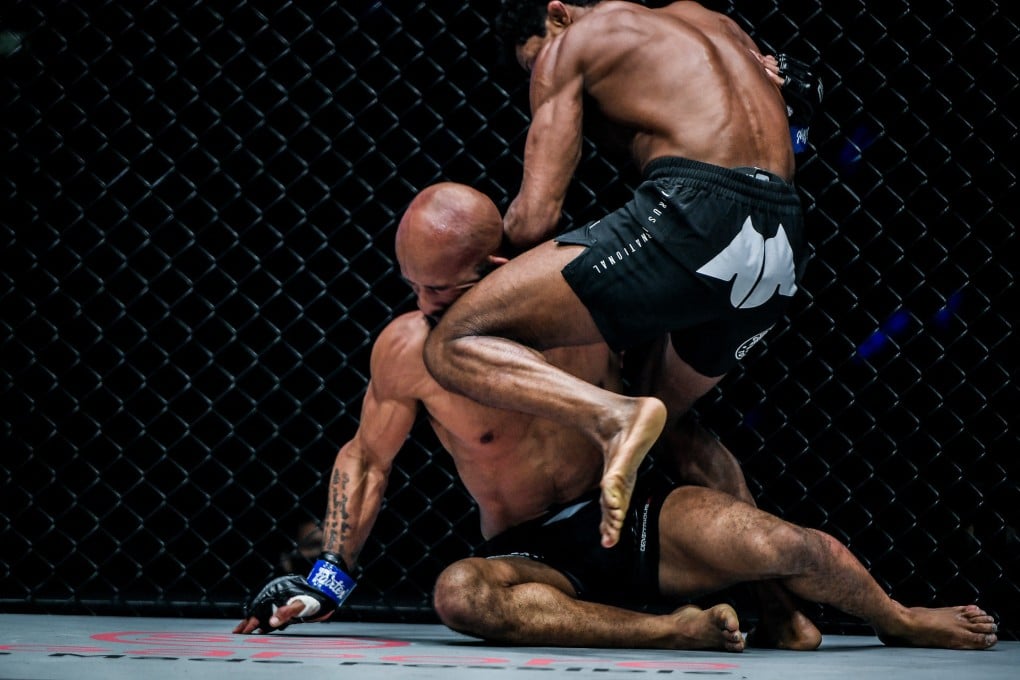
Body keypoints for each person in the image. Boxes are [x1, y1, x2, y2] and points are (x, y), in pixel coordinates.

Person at [233, 184, 998, 651]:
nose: (424, 306)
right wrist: (326, 580)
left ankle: (896, 617)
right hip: (535, 556)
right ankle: (675, 632)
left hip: (638, 519)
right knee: (460, 594)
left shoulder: (582, 302)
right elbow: (366, 460)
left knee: (792, 546)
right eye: (412, 285)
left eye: (441, 290)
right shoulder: (409, 348)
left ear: (494, 272)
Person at [422, 0, 815, 550]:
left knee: (454, 340)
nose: (538, 74)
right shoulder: (710, 22)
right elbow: (795, 101)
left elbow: (538, 216)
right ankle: (782, 610)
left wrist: (478, 259)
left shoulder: (572, 42)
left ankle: (615, 417)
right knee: (669, 427)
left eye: (533, 61)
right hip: (783, 237)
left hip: (694, 211)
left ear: (557, 14)